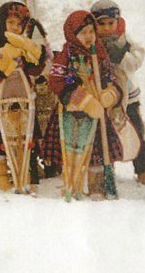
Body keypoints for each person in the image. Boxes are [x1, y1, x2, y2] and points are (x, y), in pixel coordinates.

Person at [49, 10, 122, 200]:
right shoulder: (66, 55)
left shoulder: (100, 53)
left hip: (97, 112)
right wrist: (80, 99)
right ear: (73, 35)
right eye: (84, 33)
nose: (89, 37)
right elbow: (56, 82)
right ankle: (72, 183)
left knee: (97, 152)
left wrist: (110, 94)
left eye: (91, 31)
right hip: (73, 115)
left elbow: (110, 78)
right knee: (72, 148)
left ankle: (97, 186)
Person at [0, 1, 49, 192]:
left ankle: (27, 175)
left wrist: (36, 53)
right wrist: (9, 54)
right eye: (10, 22)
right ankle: (1, 177)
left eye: (18, 24)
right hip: (0, 99)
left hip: (23, 98)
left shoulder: (24, 45)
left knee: (25, 135)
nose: (14, 27)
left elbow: (35, 69)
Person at [91, 0, 145, 185]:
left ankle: (144, 168)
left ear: (118, 21)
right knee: (103, 134)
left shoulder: (125, 40)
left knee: (135, 131)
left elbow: (135, 62)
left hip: (128, 96)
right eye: (101, 24)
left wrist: (119, 54)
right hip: (103, 97)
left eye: (110, 23)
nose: (106, 28)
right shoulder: (91, 40)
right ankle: (105, 169)